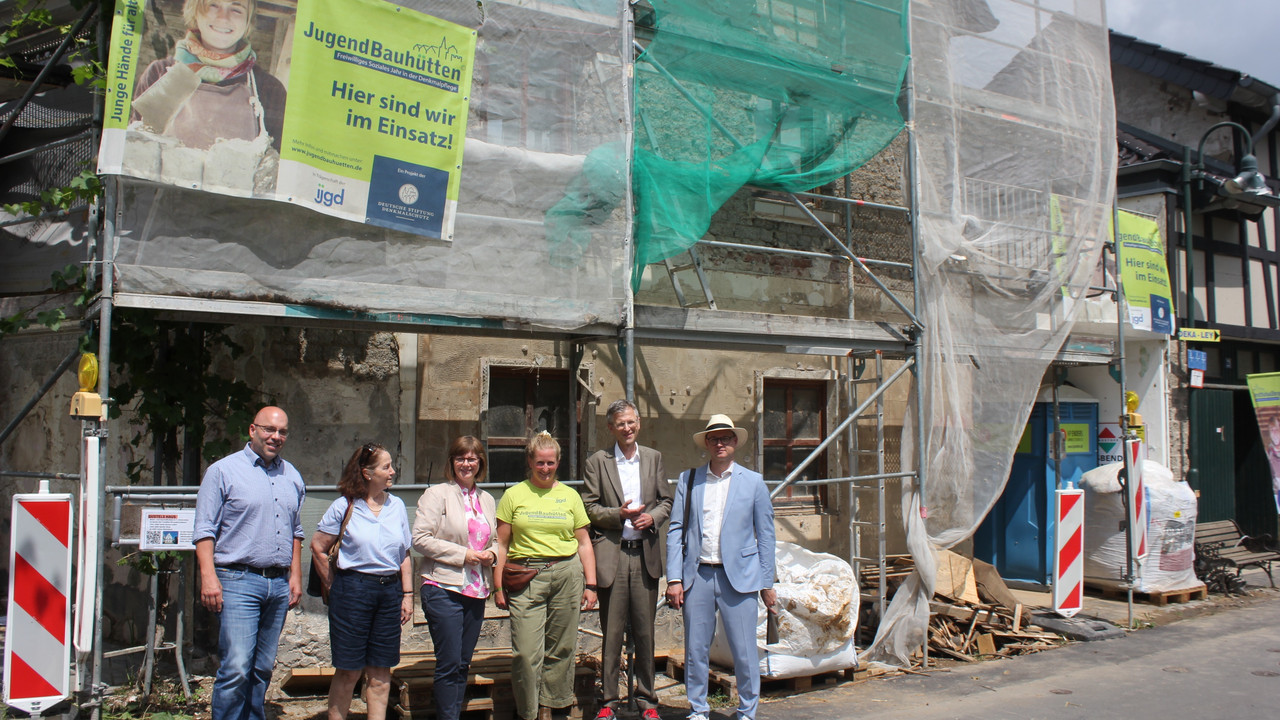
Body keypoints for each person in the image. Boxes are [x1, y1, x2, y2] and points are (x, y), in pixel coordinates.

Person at [194, 406, 305, 720]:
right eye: (269, 429)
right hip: (237, 580)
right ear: (252, 430)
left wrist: (294, 576)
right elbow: (204, 530)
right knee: (237, 666)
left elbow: (296, 531)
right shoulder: (224, 471)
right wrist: (208, 577)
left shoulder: (292, 476)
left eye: (282, 431)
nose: (276, 437)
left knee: (262, 667)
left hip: (278, 583)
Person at [666, 414, 776, 720]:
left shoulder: (753, 483)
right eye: (714, 439)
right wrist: (674, 578)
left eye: (726, 438)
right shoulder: (690, 480)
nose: (720, 443)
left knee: (743, 651)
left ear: (735, 442)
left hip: (738, 577)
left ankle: (747, 710)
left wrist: (767, 582)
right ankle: (698, 708)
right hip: (697, 574)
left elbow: (766, 536)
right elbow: (676, 530)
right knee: (695, 647)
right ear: (707, 444)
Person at [494, 431, 598, 720]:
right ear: (529, 461)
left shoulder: (570, 496)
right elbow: (501, 544)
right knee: (526, 654)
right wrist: (497, 586)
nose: (545, 469)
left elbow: (584, 543)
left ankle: (551, 707)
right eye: (540, 463)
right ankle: (527, 711)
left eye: (550, 463)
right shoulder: (514, 495)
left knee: (562, 647)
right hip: (526, 575)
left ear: (558, 463)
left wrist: (591, 584)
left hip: (566, 573)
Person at [581, 400, 671, 720]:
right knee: (612, 633)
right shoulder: (597, 462)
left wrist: (654, 518)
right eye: (620, 423)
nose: (627, 428)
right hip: (613, 556)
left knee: (645, 632)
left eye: (631, 422)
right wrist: (618, 516)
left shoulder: (653, 458)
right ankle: (609, 700)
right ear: (611, 428)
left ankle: (647, 700)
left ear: (639, 423)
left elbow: (666, 500)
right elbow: (589, 508)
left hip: (644, 555)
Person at [310, 443, 414, 720]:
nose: (392, 471)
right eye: (386, 467)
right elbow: (318, 547)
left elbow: (404, 553)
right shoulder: (344, 505)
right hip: (352, 590)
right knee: (349, 670)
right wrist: (334, 586)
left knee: (381, 672)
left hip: (388, 591)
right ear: (367, 473)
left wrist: (407, 594)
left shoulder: (397, 506)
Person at [412, 436, 499, 720]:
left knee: (463, 663)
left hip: (475, 590)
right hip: (443, 587)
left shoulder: (486, 499)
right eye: (460, 458)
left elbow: (497, 540)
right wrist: (465, 555)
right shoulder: (436, 494)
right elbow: (420, 539)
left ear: (480, 463)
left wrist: (492, 555)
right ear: (452, 462)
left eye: (472, 458)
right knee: (449, 662)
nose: (466, 463)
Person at [131, 0, 286, 152]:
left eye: (236, 9)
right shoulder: (159, 74)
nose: (223, 17)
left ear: (248, 21)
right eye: (213, 5)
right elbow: (135, 150)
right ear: (195, 11)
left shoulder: (270, 90)